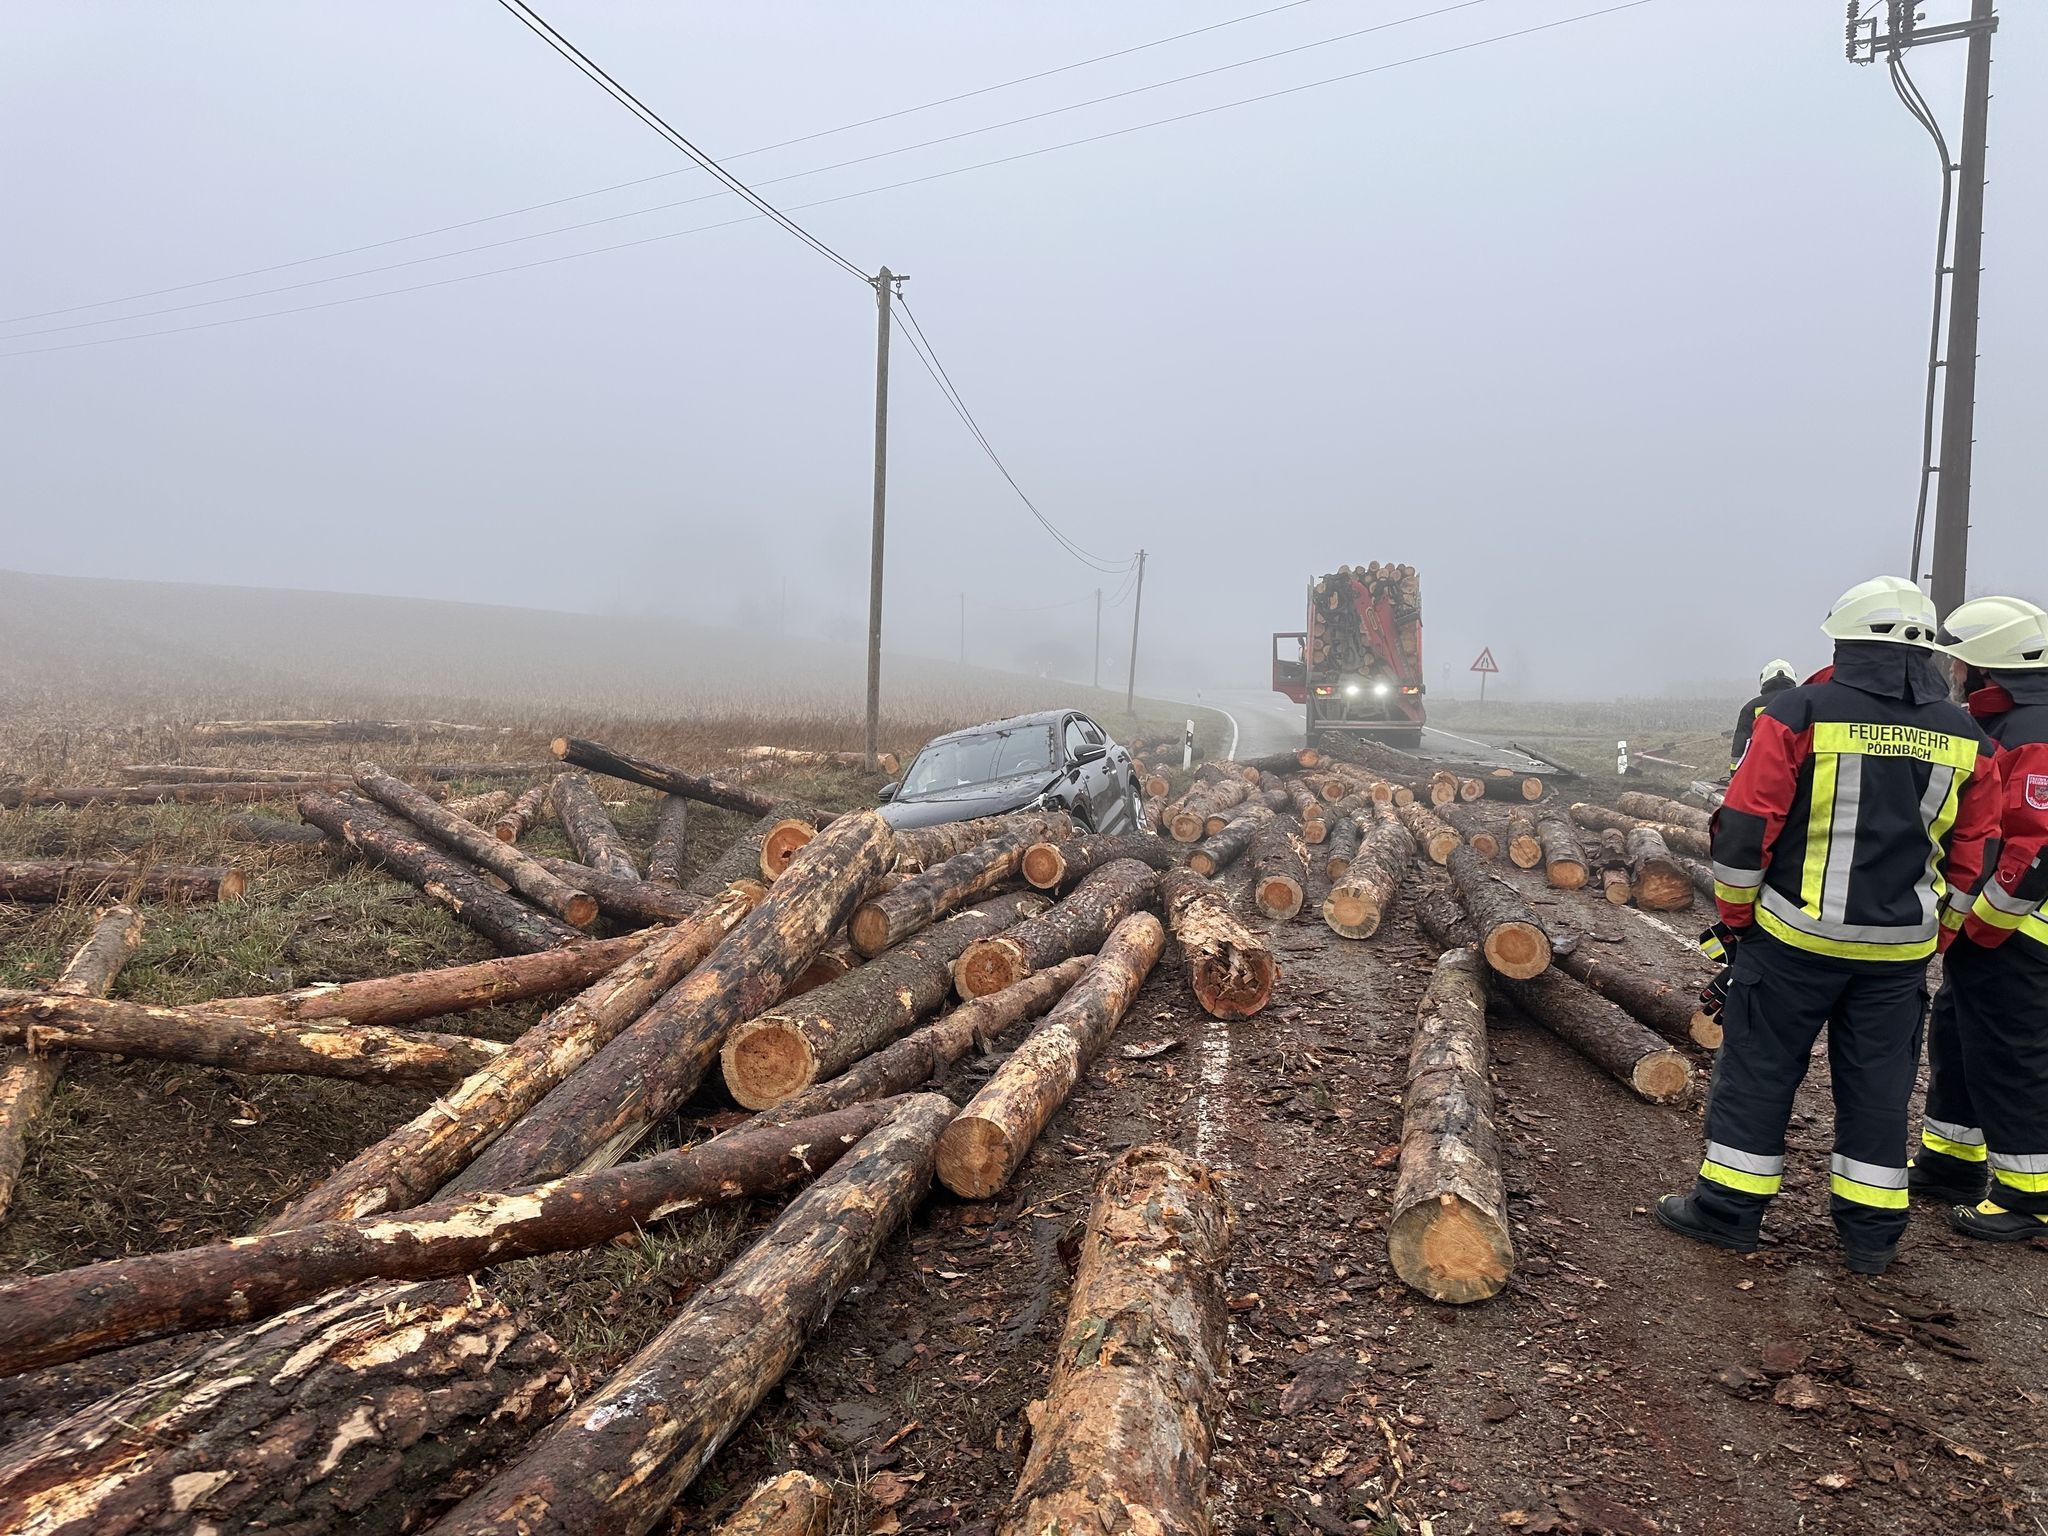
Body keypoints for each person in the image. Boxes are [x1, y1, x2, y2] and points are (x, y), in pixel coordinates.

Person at [1658, 576, 2000, 1274]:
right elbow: (1977, 851)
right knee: (1878, 1086)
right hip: (1900, 953)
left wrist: (1737, 919)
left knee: (1759, 1071)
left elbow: (1745, 826)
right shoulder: (1967, 734)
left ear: (1843, 641)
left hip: (1790, 941)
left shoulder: (1799, 710)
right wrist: (1937, 933)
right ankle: (1871, 1236)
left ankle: (1727, 1213)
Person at [1909, 596, 2048, 1239]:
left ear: (1992, 668)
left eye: (1961, 661)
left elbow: (2036, 845)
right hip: (1991, 928)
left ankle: (2030, 1198)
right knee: (1960, 1034)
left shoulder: (2034, 731)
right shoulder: (2005, 724)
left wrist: (1986, 921)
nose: (1953, 672)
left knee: (2011, 1054)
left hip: (2020, 931)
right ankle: (1950, 1161)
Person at [1730, 658, 1799, 773]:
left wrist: (1735, 773)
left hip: (1761, 774)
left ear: (1764, 679)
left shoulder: (1752, 707)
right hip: (1798, 774)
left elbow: (1741, 745)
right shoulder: (1804, 703)